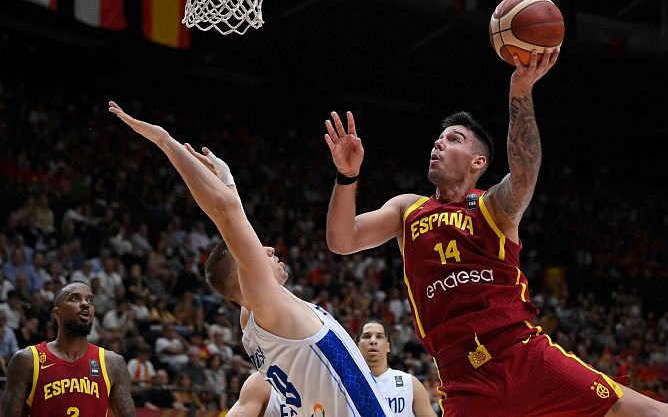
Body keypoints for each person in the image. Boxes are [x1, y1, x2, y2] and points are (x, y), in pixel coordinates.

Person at [324, 50, 668, 416]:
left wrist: (520, 89)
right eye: (437, 138)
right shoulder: (407, 209)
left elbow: (524, 171)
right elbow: (341, 241)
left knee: (651, 414)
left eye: (453, 139)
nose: (438, 143)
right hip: (462, 379)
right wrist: (347, 177)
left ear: (478, 161)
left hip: (523, 355)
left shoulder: (492, 206)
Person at [109, 101, 392, 417]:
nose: (269, 250)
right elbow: (227, 216)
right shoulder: (270, 307)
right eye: (259, 252)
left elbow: (235, 221)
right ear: (245, 272)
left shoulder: (252, 320)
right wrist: (165, 141)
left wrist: (228, 180)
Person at [0, 280, 136, 417]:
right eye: (75, 298)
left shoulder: (112, 363)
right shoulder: (26, 360)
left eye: (90, 300)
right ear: (57, 313)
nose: (85, 304)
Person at [358, 319, 437, 417]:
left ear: (388, 347)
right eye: (367, 336)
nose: (373, 341)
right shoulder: (346, 385)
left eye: (379, 336)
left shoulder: (409, 383)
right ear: (358, 346)